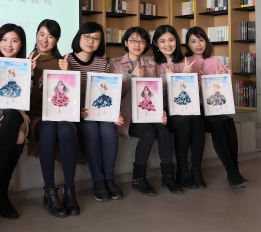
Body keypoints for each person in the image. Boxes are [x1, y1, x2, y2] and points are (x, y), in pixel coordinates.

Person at [110, 26, 182, 196]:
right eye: (133, 41)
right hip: (127, 116)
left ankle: (168, 177)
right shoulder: (115, 63)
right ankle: (138, 178)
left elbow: (156, 93)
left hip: (147, 113)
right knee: (148, 132)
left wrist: (161, 112)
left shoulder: (150, 64)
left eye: (142, 41)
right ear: (126, 42)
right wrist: (131, 77)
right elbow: (113, 94)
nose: (138, 44)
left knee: (163, 132)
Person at [0, 23, 39, 219]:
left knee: (13, 114)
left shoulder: (25, 65)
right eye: (4, 39)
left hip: (16, 116)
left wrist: (29, 74)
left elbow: (23, 101)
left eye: (14, 40)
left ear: (21, 44)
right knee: (19, 136)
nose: (8, 44)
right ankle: (1, 192)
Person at [66, 22, 124, 202]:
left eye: (96, 38)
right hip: (79, 113)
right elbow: (65, 91)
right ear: (79, 37)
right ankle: (98, 180)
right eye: (87, 36)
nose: (91, 41)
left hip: (101, 111)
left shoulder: (102, 62)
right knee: (90, 130)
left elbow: (109, 91)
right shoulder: (67, 60)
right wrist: (77, 111)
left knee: (109, 130)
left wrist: (115, 113)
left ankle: (109, 179)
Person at [28, 19, 80, 218]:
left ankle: (69, 192)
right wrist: (37, 84)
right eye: (41, 34)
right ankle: (50, 193)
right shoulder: (27, 62)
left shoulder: (63, 63)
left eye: (50, 36)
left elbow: (71, 98)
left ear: (57, 40)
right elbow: (26, 103)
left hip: (60, 114)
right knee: (48, 129)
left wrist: (67, 74)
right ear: (36, 35)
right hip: (37, 115)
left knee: (66, 129)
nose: (45, 40)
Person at [185, 26, 248, 188]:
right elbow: (184, 89)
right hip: (197, 108)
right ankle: (232, 171)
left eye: (201, 40)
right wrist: (195, 77)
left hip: (214, 106)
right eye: (193, 41)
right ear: (188, 44)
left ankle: (234, 170)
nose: (198, 44)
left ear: (206, 41)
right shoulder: (185, 62)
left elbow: (221, 87)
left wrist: (224, 75)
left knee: (228, 122)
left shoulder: (214, 61)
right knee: (218, 125)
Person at [152, 24, 206, 189]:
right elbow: (152, 95)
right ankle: (182, 171)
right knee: (183, 123)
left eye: (171, 40)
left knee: (197, 121)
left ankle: (196, 170)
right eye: (162, 41)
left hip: (185, 107)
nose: (167, 44)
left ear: (176, 41)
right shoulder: (152, 64)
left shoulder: (185, 62)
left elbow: (192, 94)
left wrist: (191, 78)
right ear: (156, 43)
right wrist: (168, 78)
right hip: (164, 110)